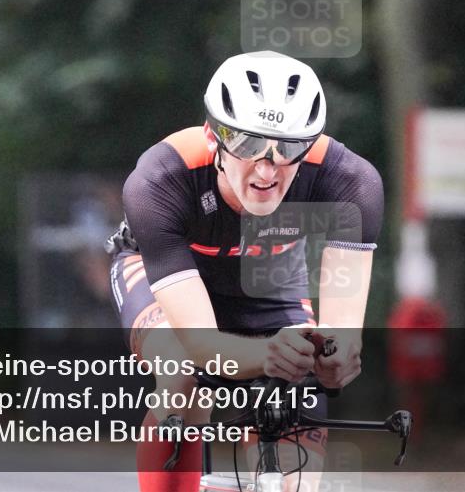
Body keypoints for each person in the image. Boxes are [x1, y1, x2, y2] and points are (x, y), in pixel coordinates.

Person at [107, 50, 384, 492]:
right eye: (249, 144)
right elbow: (201, 345)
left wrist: (334, 356)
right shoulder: (160, 180)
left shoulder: (351, 182)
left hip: (268, 281)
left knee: (299, 406)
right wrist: (268, 355)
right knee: (183, 373)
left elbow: (343, 336)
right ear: (213, 137)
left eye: (289, 147)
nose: (267, 169)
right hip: (168, 278)